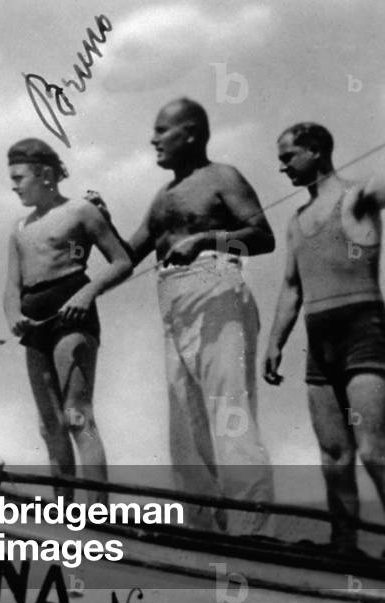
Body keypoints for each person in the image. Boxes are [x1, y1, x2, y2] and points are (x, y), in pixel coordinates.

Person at [123, 98, 276, 534]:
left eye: (162, 130)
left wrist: (207, 239)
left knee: (229, 410)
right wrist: (98, 226)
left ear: (189, 133)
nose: (153, 140)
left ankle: (251, 530)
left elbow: (262, 237)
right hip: (172, 301)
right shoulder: (162, 198)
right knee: (185, 422)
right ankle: (203, 527)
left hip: (216, 289)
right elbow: (127, 255)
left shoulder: (222, 177)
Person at [264, 122, 385, 555]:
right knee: (334, 453)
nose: (282, 167)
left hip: (363, 332)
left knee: (373, 449)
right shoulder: (296, 220)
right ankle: (343, 544)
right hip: (319, 340)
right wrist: (275, 342)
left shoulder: (357, 197)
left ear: (315, 150)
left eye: (288, 157)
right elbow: (291, 288)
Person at [3, 138, 133, 503]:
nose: (14, 186)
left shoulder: (80, 210)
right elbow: (11, 288)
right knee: (50, 425)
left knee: (77, 416)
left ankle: (96, 511)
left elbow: (122, 261)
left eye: (19, 177)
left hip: (72, 315)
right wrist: (14, 316)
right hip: (34, 324)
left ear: (45, 175)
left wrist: (87, 293)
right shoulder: (19, 227)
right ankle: (62, 509)